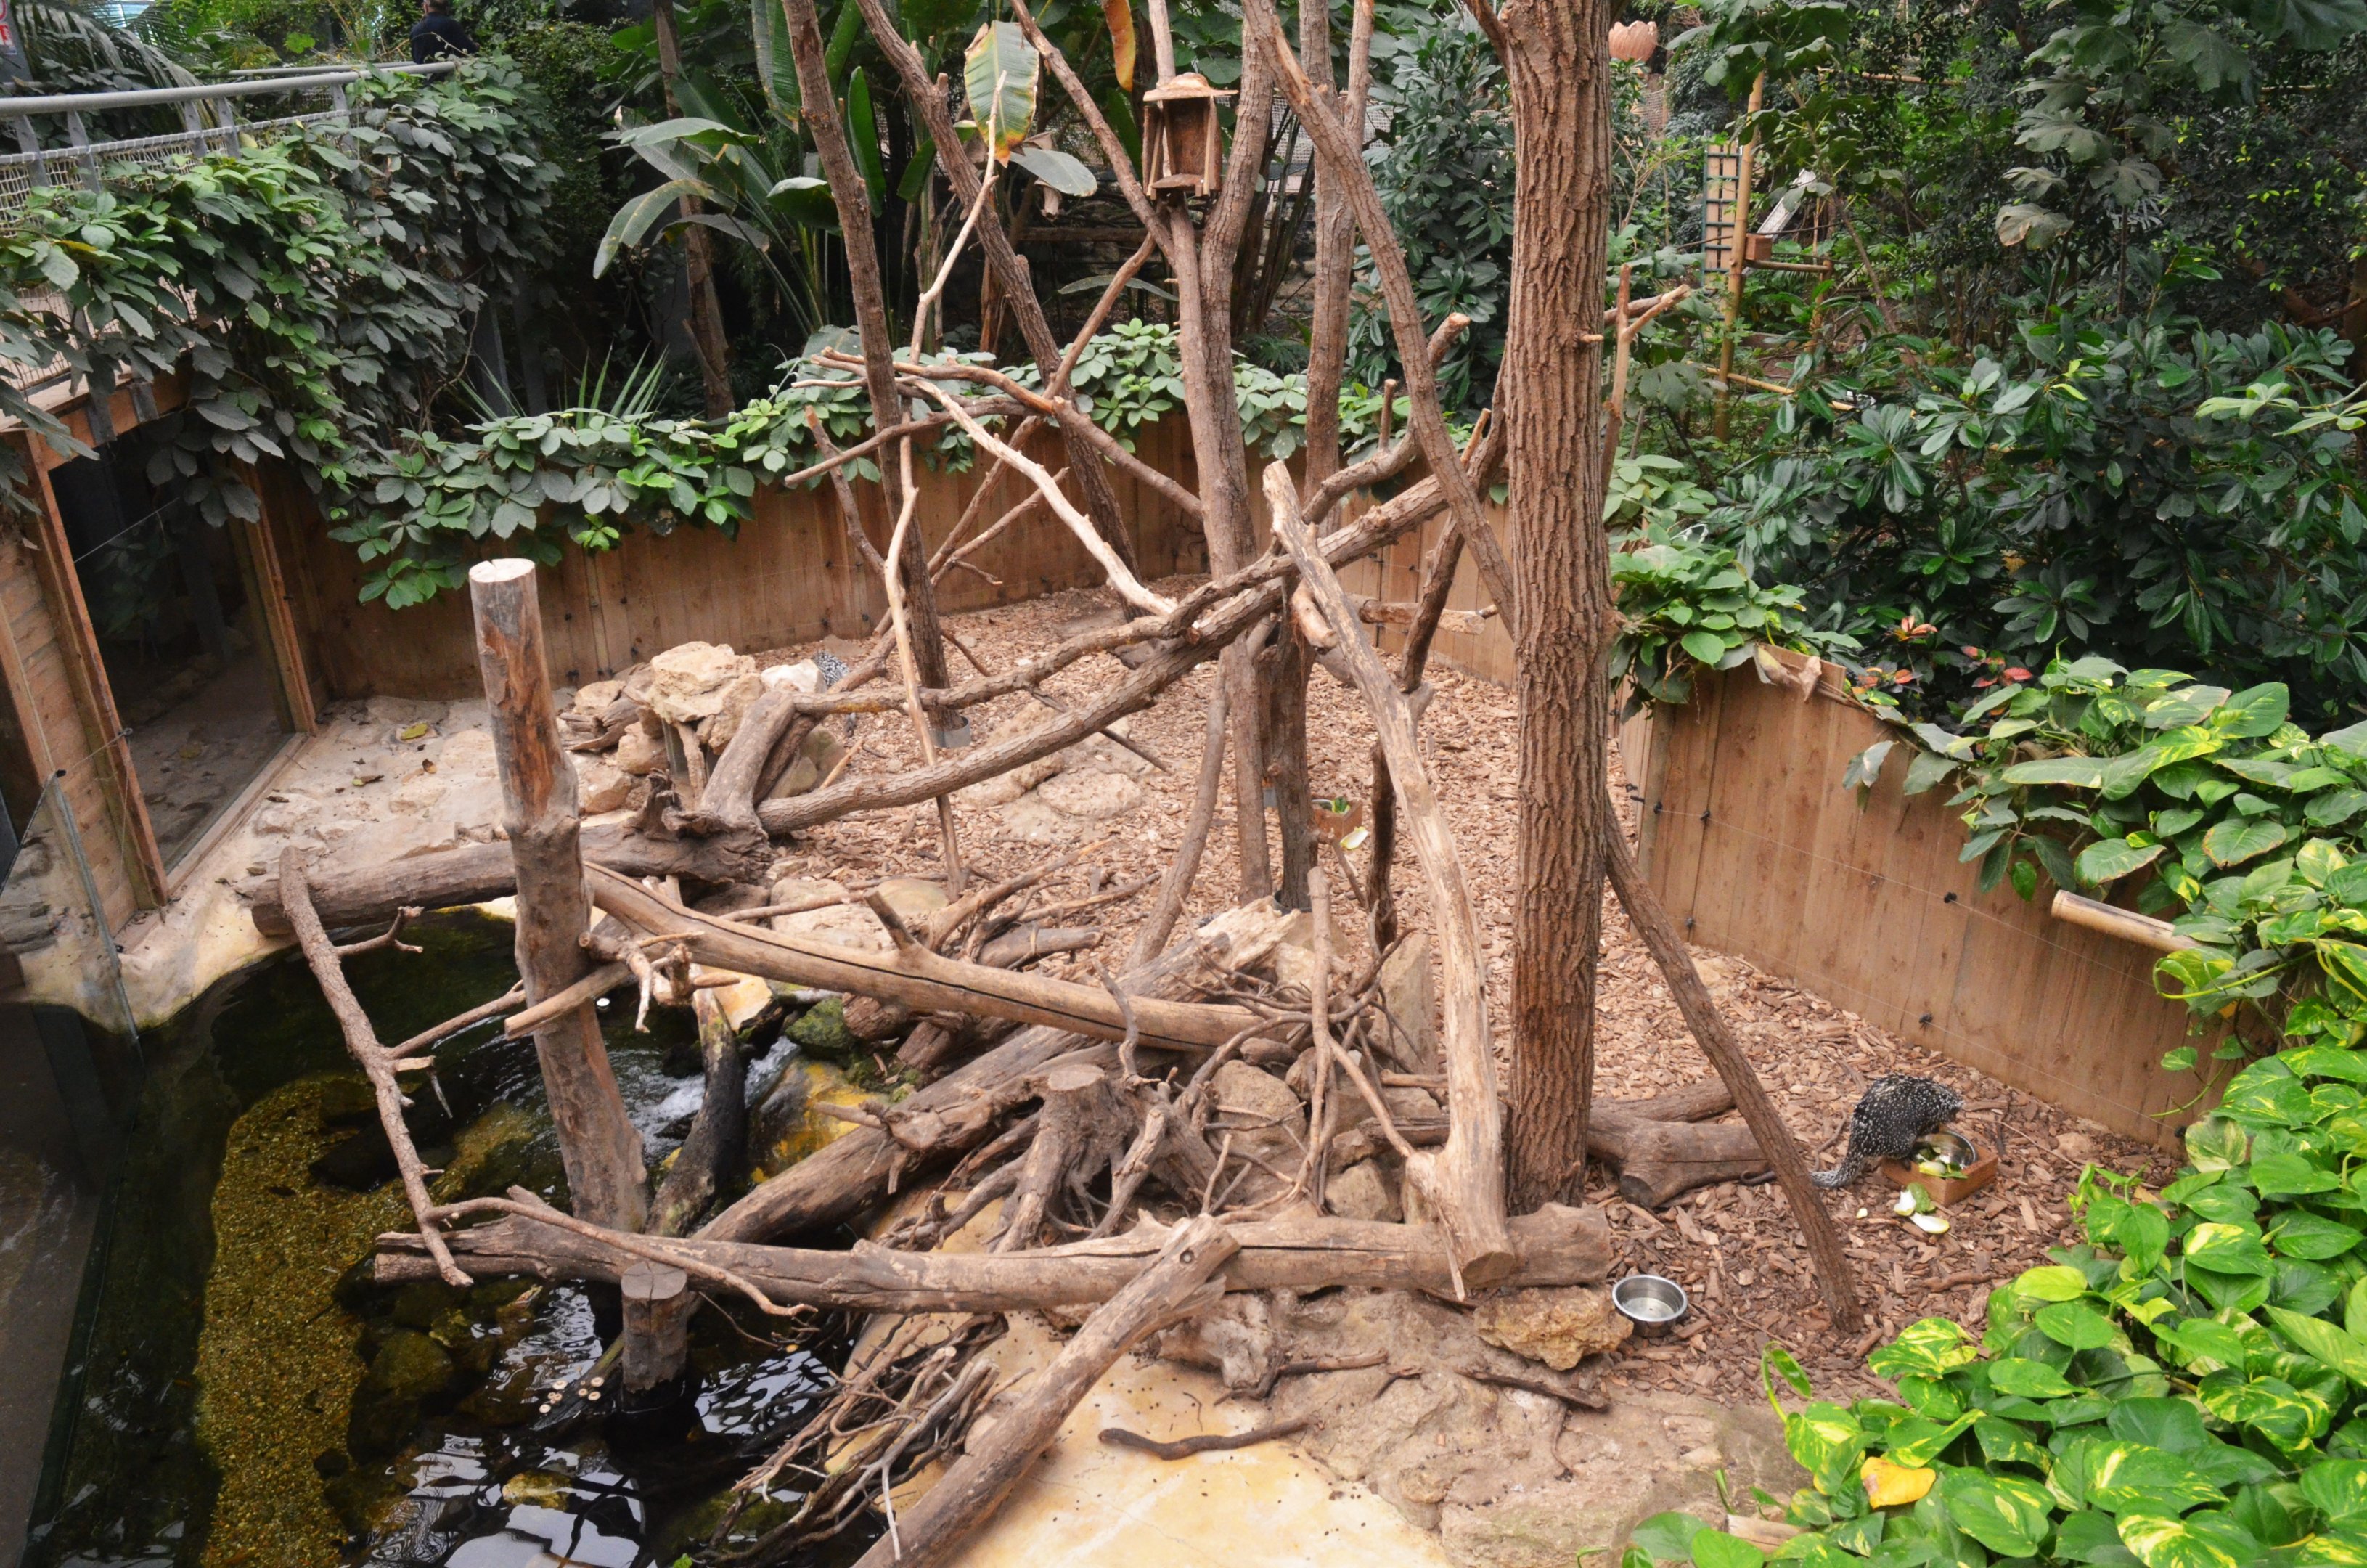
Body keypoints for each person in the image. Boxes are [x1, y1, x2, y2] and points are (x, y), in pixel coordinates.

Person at [409, 0, 475, 63]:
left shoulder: (416, 29)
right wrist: (476, 46)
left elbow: (415, 58)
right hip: (450, 70)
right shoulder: (452, 25)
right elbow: (470, 50)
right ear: (447, 9)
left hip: (422, 71)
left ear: (425, 7)